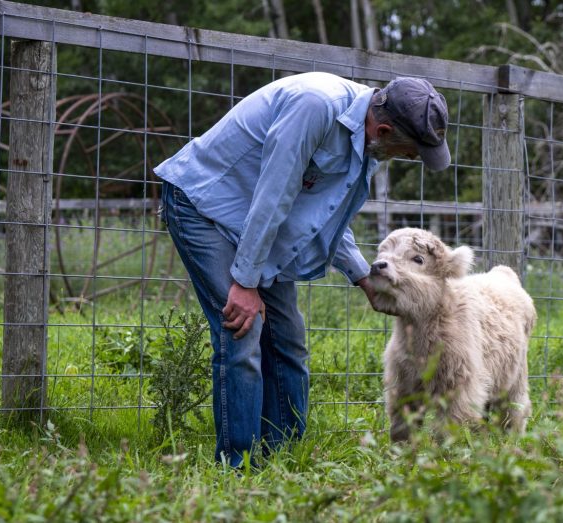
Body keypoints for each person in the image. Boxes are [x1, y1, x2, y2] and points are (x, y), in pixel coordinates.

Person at [154, 71, 451, 468]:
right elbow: (273, 195)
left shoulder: (369, 143)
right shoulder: (315, 106)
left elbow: (322, 216)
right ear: (382, 129)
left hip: (253, 223)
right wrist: (245, 282)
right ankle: (237, 466)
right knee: (243, 331)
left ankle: (282, 458)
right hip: (204, 206)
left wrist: (363, 277)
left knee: (288, 339)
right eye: (409, 152)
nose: (410, 158)